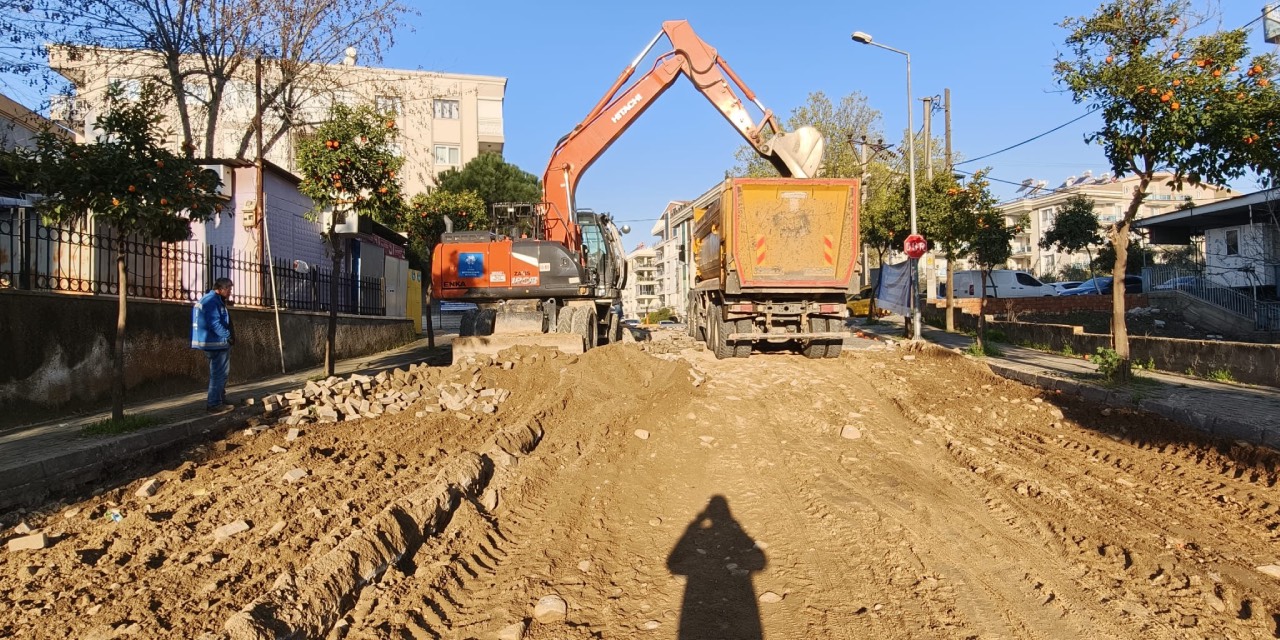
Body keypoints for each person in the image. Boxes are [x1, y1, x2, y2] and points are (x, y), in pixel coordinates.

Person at [192, 278, 235, 413]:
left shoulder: (212, 300)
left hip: (214, 342)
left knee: (219, 373)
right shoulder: (212, 301)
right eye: (229, 289)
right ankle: (214, 404)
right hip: (216, 343)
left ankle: (220, 398)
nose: (230, 292)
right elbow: (215, 323)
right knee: (219, 374)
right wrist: (228, 336)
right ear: (221, 288)